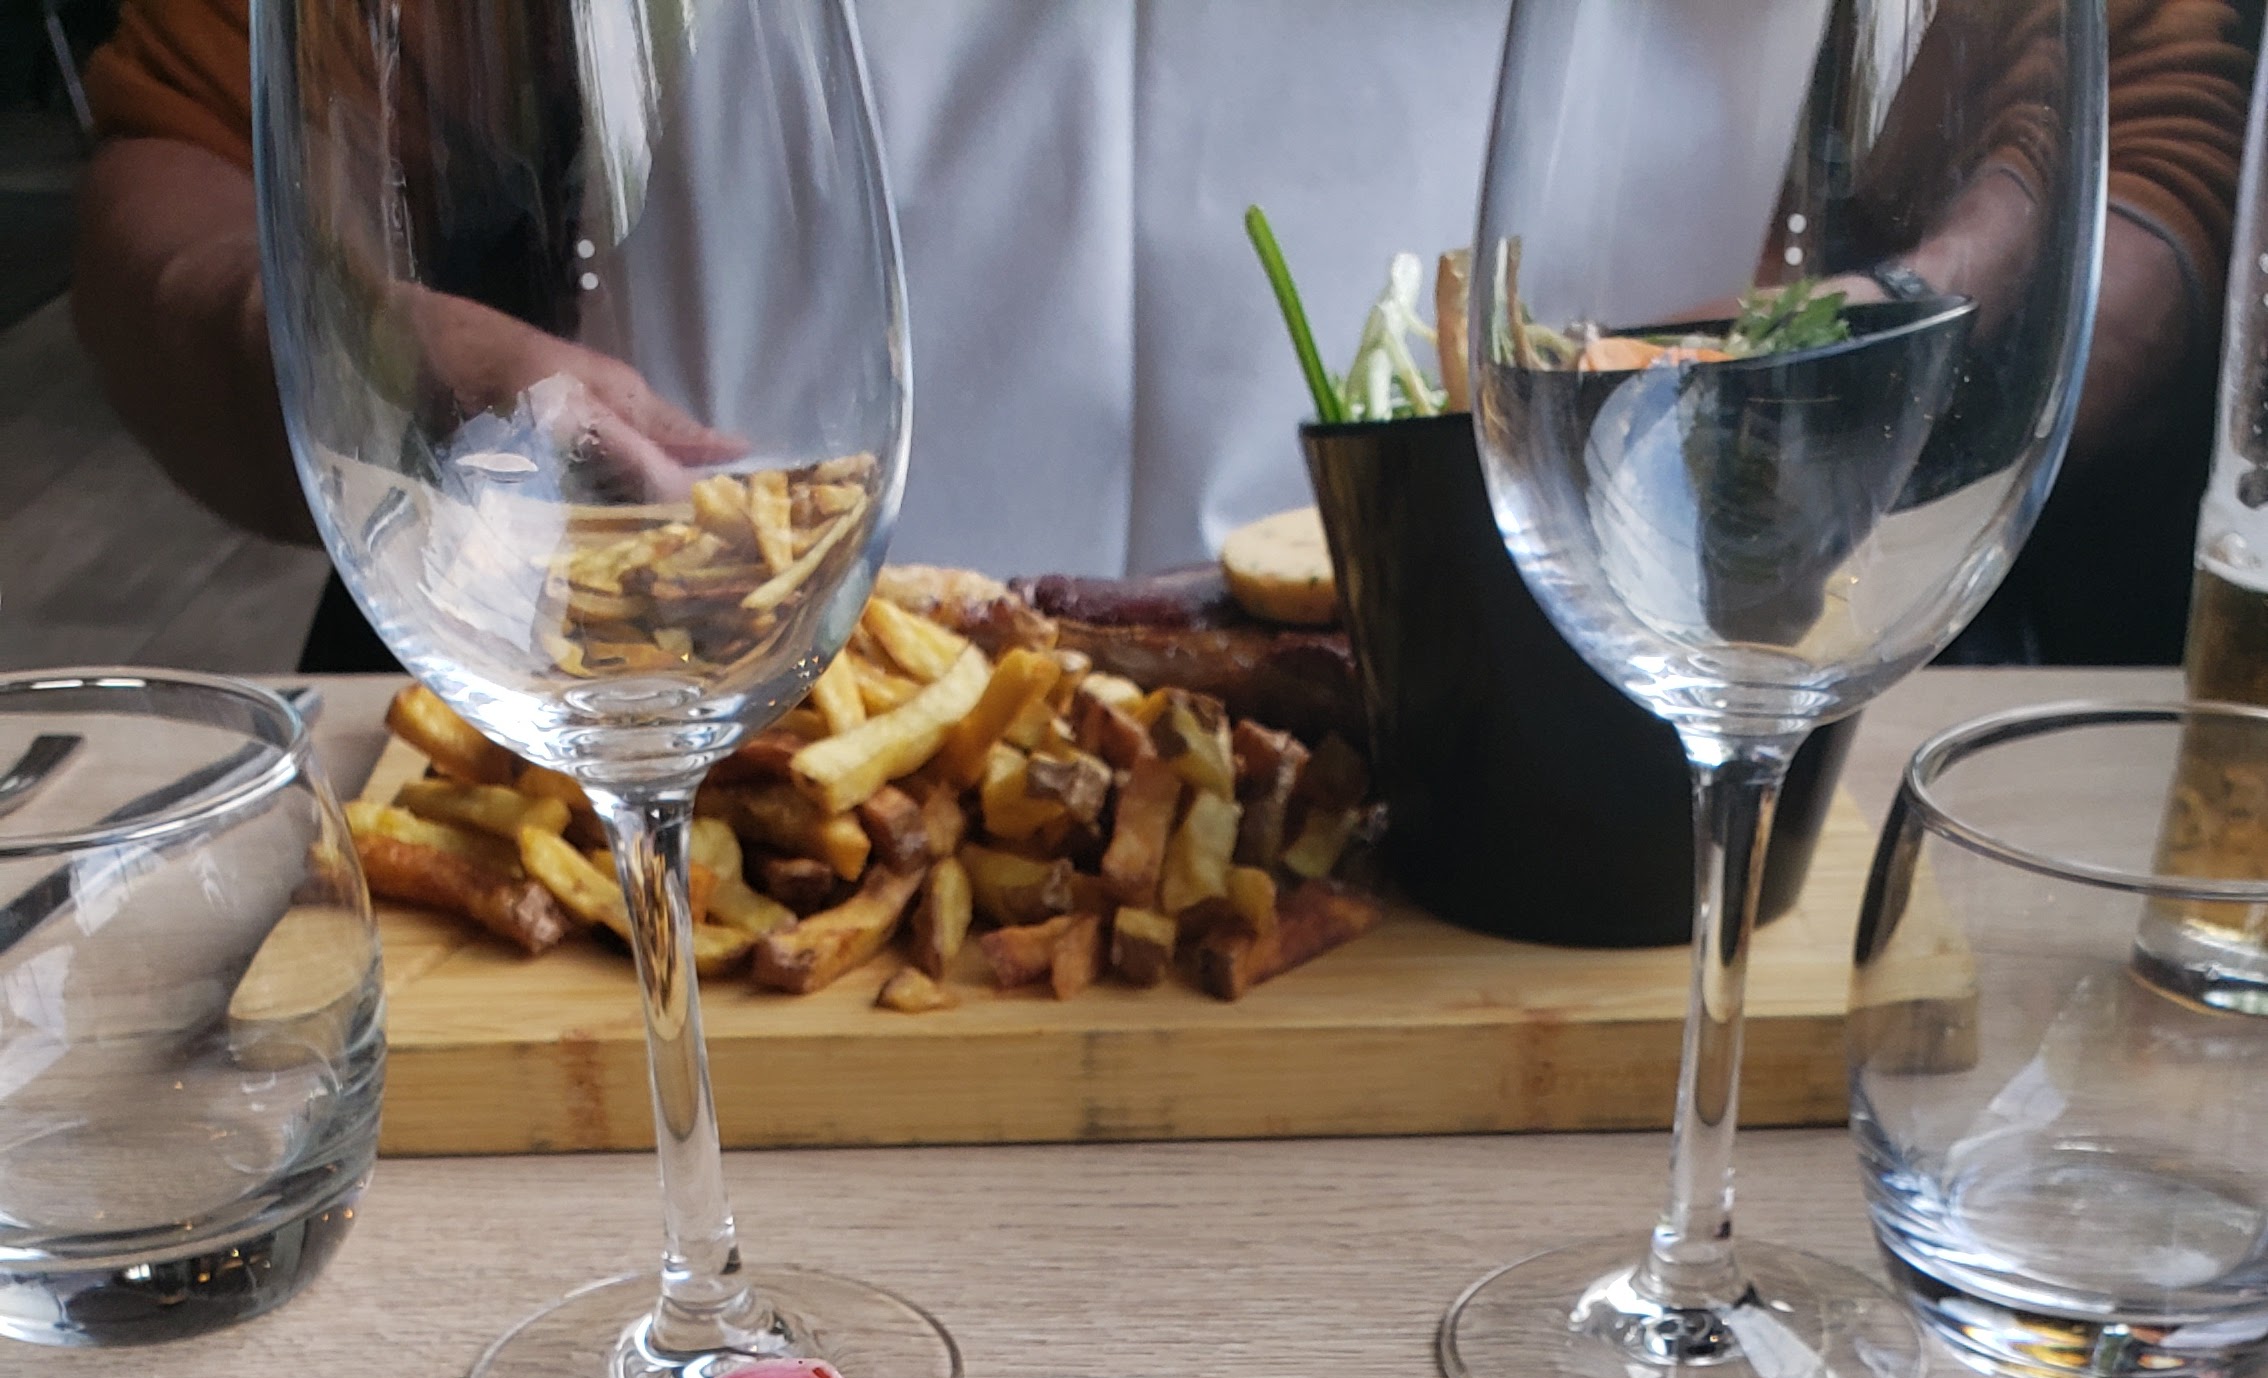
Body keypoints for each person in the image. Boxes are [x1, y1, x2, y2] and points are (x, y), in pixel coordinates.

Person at [72, 0, 2260, 657]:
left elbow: (2131, 132)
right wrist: (426, 381)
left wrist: (1873, 353)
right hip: (743, 732)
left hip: (1548, 745)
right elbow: (187, 163)